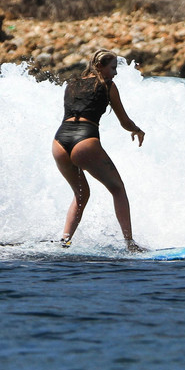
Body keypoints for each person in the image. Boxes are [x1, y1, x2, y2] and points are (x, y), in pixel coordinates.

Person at [53, 49, 145, 252]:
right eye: (113, 68)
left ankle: (65, 241)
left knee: (80, 194)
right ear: (100, 66)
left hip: (59, 142)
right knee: (118, 189)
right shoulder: (107, 86)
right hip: (84, 140)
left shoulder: (72, 84)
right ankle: (130, 244)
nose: (115, 73)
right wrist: (137, 130)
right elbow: (125, 122)